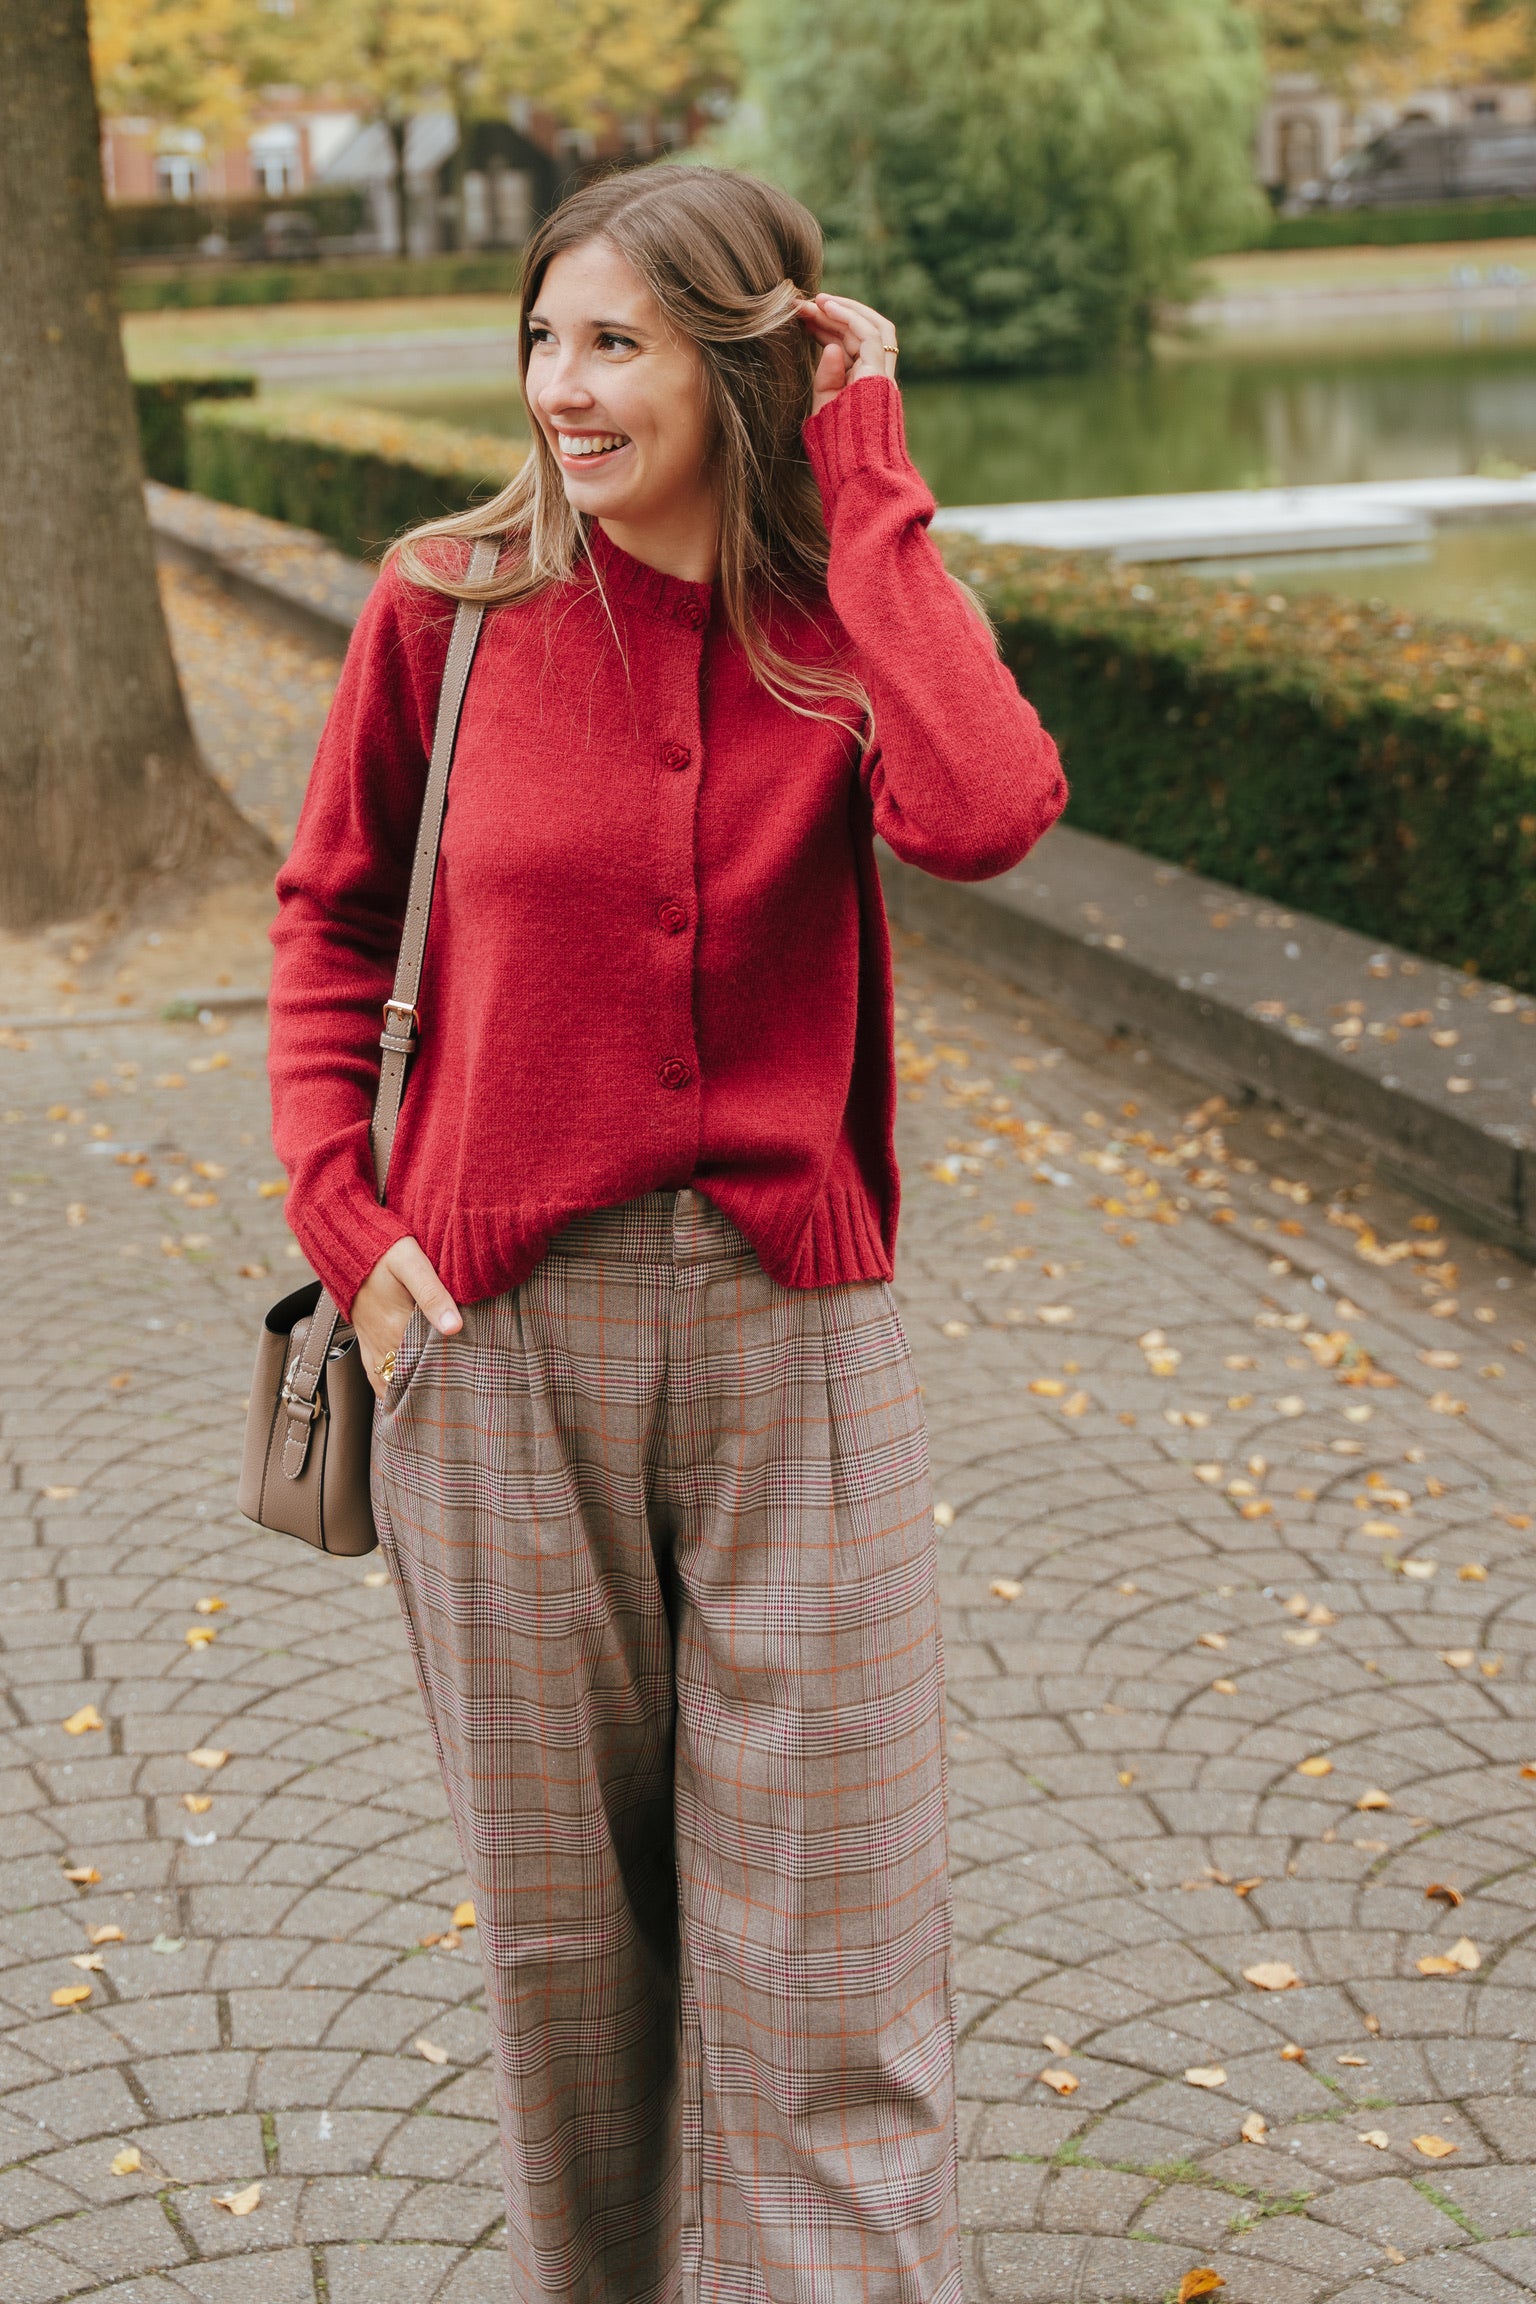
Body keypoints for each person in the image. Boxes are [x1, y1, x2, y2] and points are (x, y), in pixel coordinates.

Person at [267, 162, 1065, 2304]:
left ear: (736, 360)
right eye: (542, 339)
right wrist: (350, 1219)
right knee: (570, 1972)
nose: (560, 389)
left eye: (613, 343)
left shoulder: (836, 626)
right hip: (489, 1335)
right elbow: (334, 915)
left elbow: (987, 810)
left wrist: (866, 468)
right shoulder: (446, 600)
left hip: (796, 1337)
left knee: (837, 1955)